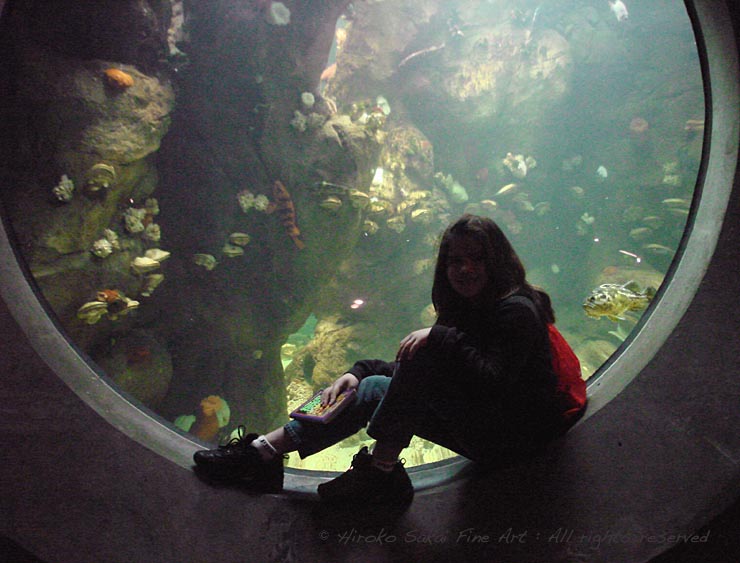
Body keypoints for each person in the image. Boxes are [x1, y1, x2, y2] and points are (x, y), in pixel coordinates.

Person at [193, 214, 563, 505]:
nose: (464, 269)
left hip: (515, 442)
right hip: (483, 425)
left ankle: (380, 472)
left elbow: (492, 383)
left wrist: (440, 337)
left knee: (412, 364)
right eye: (455, 260)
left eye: (476, 259)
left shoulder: (517, 311)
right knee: (367, 385)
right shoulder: (469, 308)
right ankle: (263, 452)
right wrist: (358, 370)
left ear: (496, 260)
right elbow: (423, 373)